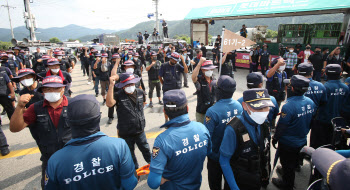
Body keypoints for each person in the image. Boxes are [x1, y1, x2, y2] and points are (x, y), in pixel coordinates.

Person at [44, 94, 137, 190]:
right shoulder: (118, 146)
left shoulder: (55, 161)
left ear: (68, 121)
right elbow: (130, 184)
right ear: (99, 117)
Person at [10, 75, 71, 189]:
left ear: (63, 88)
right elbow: (14, 128)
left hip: (73, 158)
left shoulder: (73, 105)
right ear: (42, 91)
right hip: (49, 159)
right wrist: (19, 107)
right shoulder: (35, 108)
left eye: (56, 88)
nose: (52, 91)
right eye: (47, 89)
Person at [147, 89, 211, 190]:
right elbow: (208, 152)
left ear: (165, 112)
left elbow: (153, 183)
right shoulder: (202, 128)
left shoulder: (162, 140)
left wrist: (163, 178)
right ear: (188, 108)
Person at [220, 88, 275, 190]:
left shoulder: (264, 123)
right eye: (258, 108)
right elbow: (224, 160)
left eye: (266, 107)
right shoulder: (233, 129)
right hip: (239, 179)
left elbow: (265, 150)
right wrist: (234, 187)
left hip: (256, 176)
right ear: (245, 106)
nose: (263, 112)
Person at [271, 75, 316, 189]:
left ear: (292, 89)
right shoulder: (310, 102)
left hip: (288, 143)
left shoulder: (289, 106)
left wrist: (275, 138)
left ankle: (287, 184)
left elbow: (282, 126)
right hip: (302, 139)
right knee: (293, 161)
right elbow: (312, 121)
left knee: (287, 164)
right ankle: (288, 172)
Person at [106, 72, 151, 170]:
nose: (130, 86)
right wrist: (111, 86)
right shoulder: (118, 95)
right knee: (130, 153)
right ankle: (135, 170)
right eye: (128, 85)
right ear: (123, 86)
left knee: (146, 149)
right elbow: (109, 104)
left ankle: (153, 165)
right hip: (125, 132)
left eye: (132, 84)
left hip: (140, 130)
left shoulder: (140, 92)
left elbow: (143, 103)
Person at [204, 75, 242, 190]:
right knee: (229, 182)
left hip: (215, 156)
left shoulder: (212, 111)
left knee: (214, 183)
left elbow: (207, 137)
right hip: (232, 154)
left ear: (218, 90)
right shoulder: (238, 106)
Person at [312, 64, 349, 149]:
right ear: (340, 74)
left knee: (321, 146)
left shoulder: (324, 87)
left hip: (322, 121)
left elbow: (318, 104)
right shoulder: (345, 88)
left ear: (325, 73)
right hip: (338, 123)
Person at [192, 58, 217, 123]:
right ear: (202, 69)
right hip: (202, 112)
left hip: (213, 110)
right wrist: (199, 64)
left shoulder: (214, 79)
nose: (210, 70)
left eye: (211, 69)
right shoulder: (200, 80)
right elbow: (193, 77)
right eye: (208, 69)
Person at [0, 68, 15, 156]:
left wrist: (12, 92)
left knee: (10, 110)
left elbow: (9, 83)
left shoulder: (2, 73)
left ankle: (3, 146)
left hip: (4, 95)